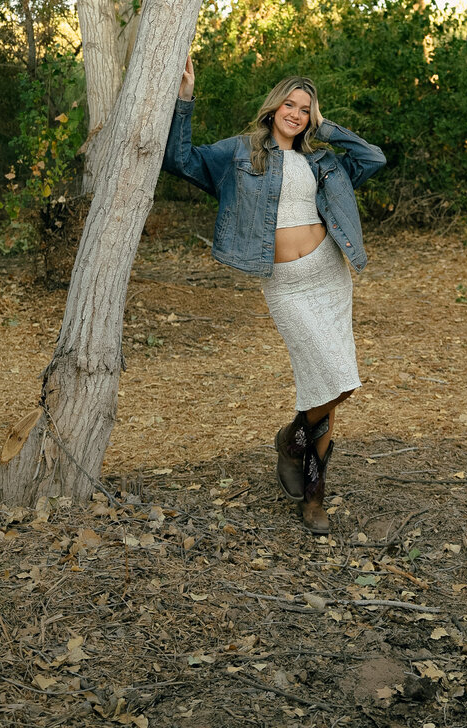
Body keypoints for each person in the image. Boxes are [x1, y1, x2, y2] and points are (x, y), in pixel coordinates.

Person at [162, 56, 386, 534]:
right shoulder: (242, 152)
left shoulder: (322, 159)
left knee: (337, 385)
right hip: (285, 284)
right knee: (326, 382)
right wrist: (185, 98)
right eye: (290, 103)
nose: (296, 113)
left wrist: (329, 129)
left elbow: (373, 158)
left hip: (329, 275)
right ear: (273, 108)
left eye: (306, 109)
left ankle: (297, 454)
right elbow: (180, 160)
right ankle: (305, 478)